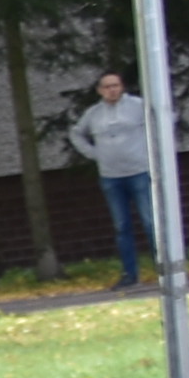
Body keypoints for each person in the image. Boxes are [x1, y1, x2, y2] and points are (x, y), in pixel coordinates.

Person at [67, 70, 156, 288]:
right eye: (107, 87)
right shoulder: (94, 113)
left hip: (139, 172)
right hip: (111, 177)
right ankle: (129, 275)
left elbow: (164, 118)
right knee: (121, 226)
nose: (112, 90)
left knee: (150, 222)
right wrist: (94, 154)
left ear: (122, 86)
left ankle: (164, 270)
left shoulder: (138, 105)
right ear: (100, 90)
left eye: (115, 85)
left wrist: (151, 150)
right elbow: (76, 133)